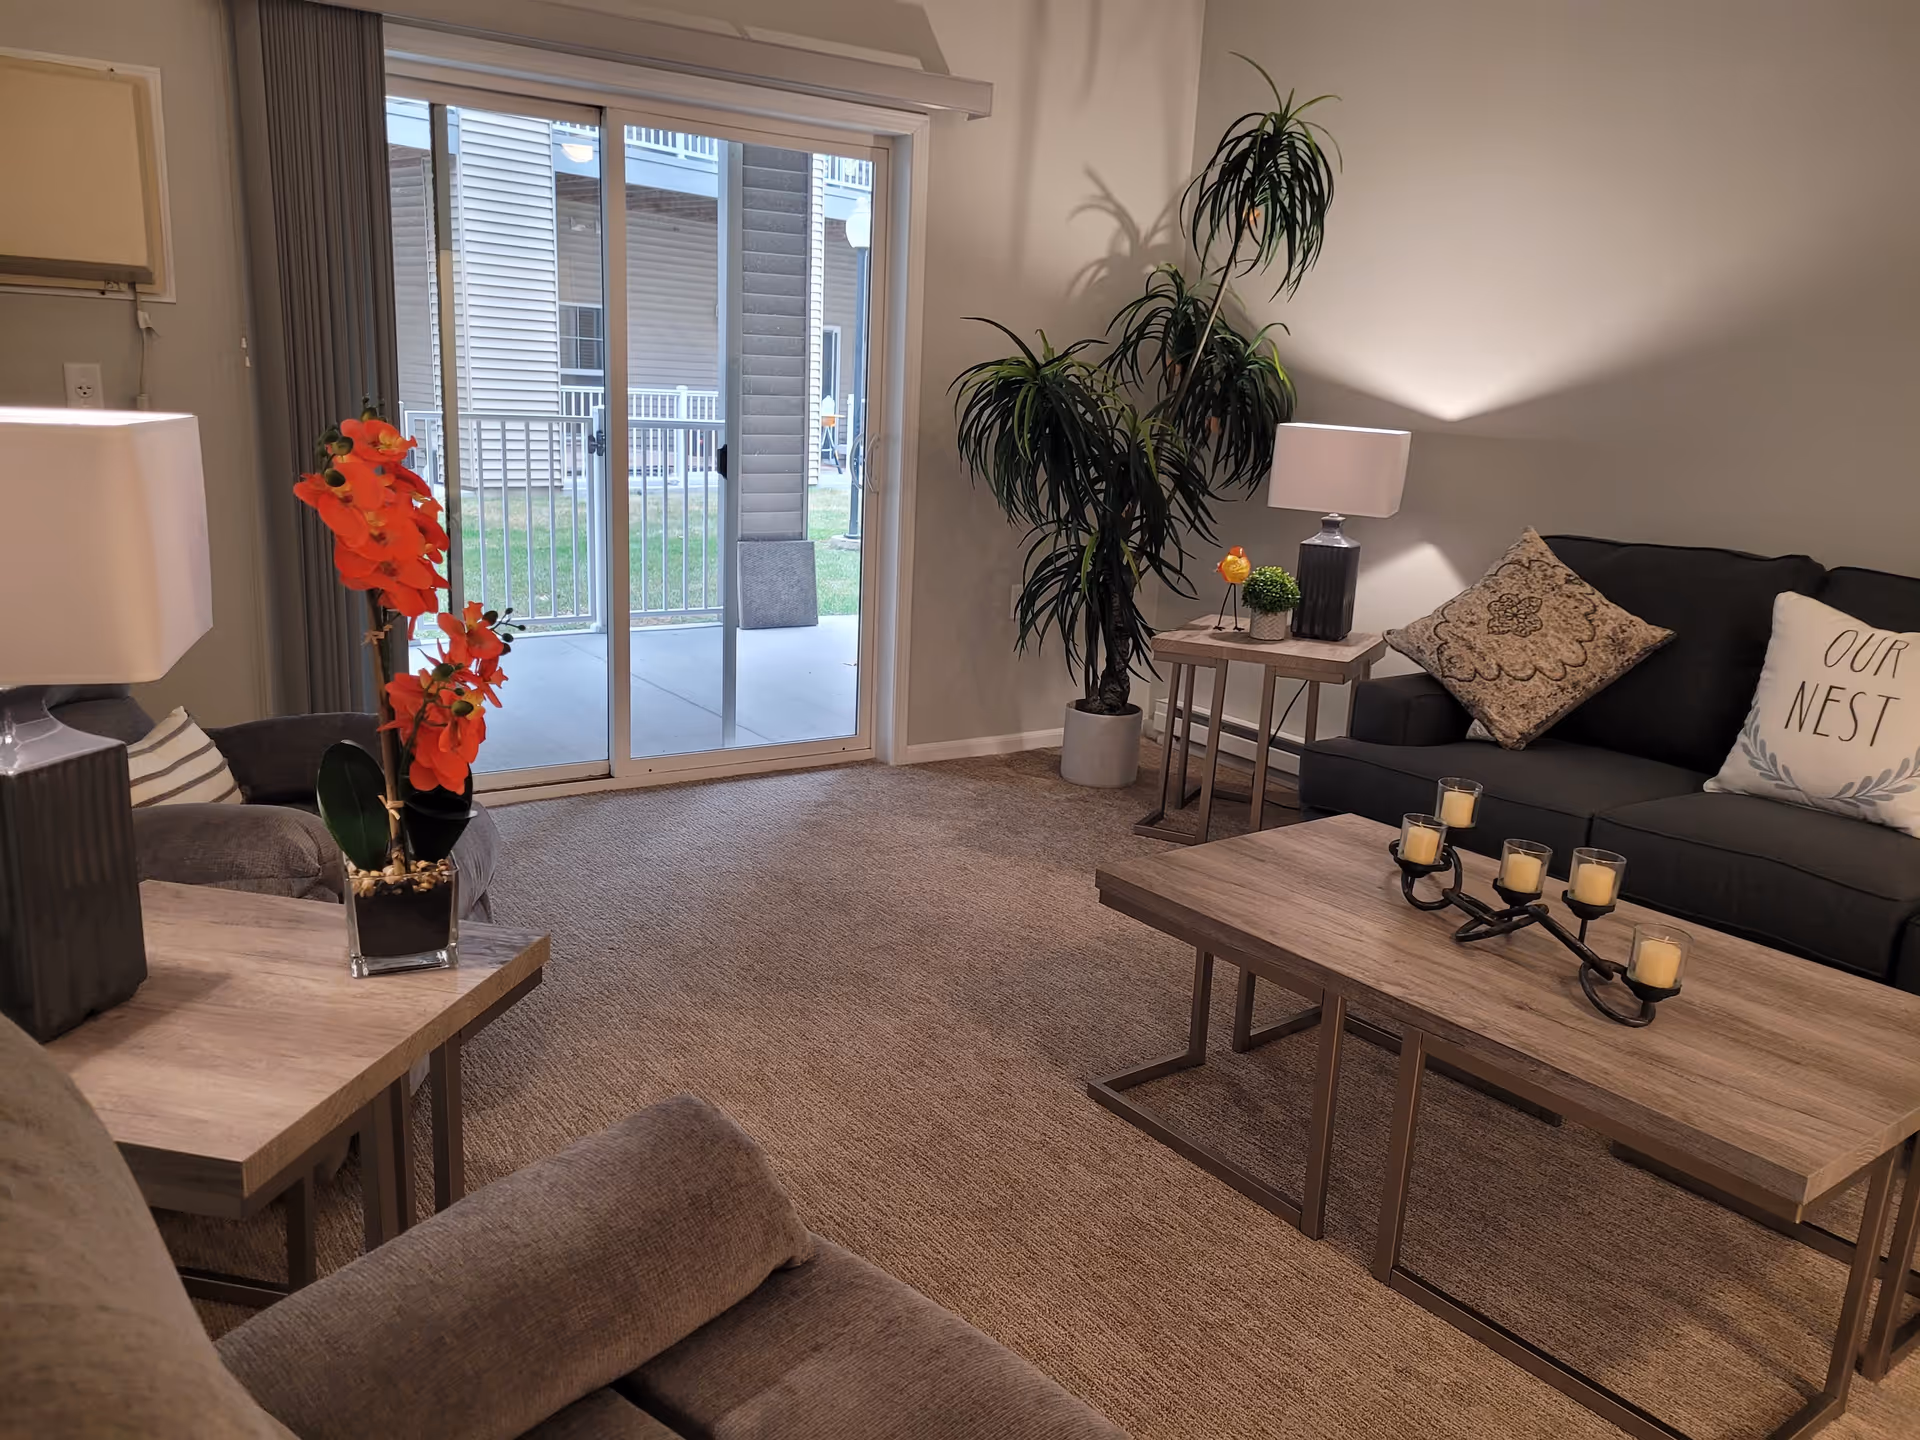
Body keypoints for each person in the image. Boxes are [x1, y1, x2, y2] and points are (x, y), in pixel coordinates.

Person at [818, 391, 840, 471]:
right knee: (828, 441)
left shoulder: (826, 402)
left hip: (827, 419)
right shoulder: (829, 402)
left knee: (828, 441)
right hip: (826, 419)